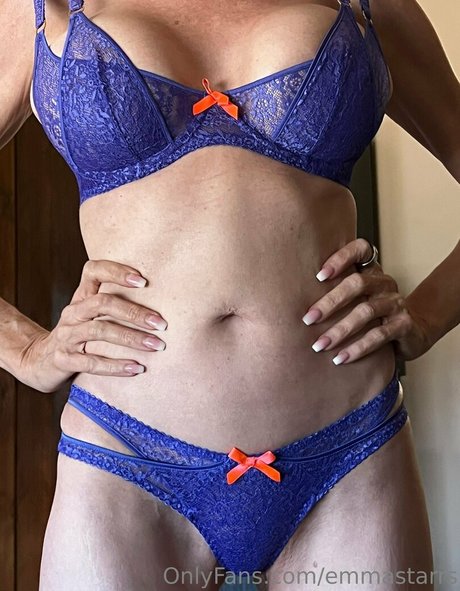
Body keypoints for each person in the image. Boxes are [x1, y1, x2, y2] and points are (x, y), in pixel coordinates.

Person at [1, 0, 459, 589]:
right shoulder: (40, 10)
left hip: (350, 444)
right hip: (123, 453)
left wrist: (427, 314)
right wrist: (25, 350)